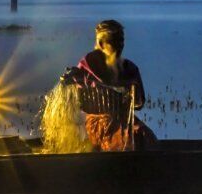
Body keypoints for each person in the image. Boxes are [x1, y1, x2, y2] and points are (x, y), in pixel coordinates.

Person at [64, 19, 157, 151]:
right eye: (114, 41)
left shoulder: (129, 68)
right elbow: (78, 96)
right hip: (97, 123)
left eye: (121, 41)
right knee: (129, 139)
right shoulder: (88, 64)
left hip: (124, 120)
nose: (120, 45)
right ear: (101, 44)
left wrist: (131, 91)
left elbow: (139, 104)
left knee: (144, 135)